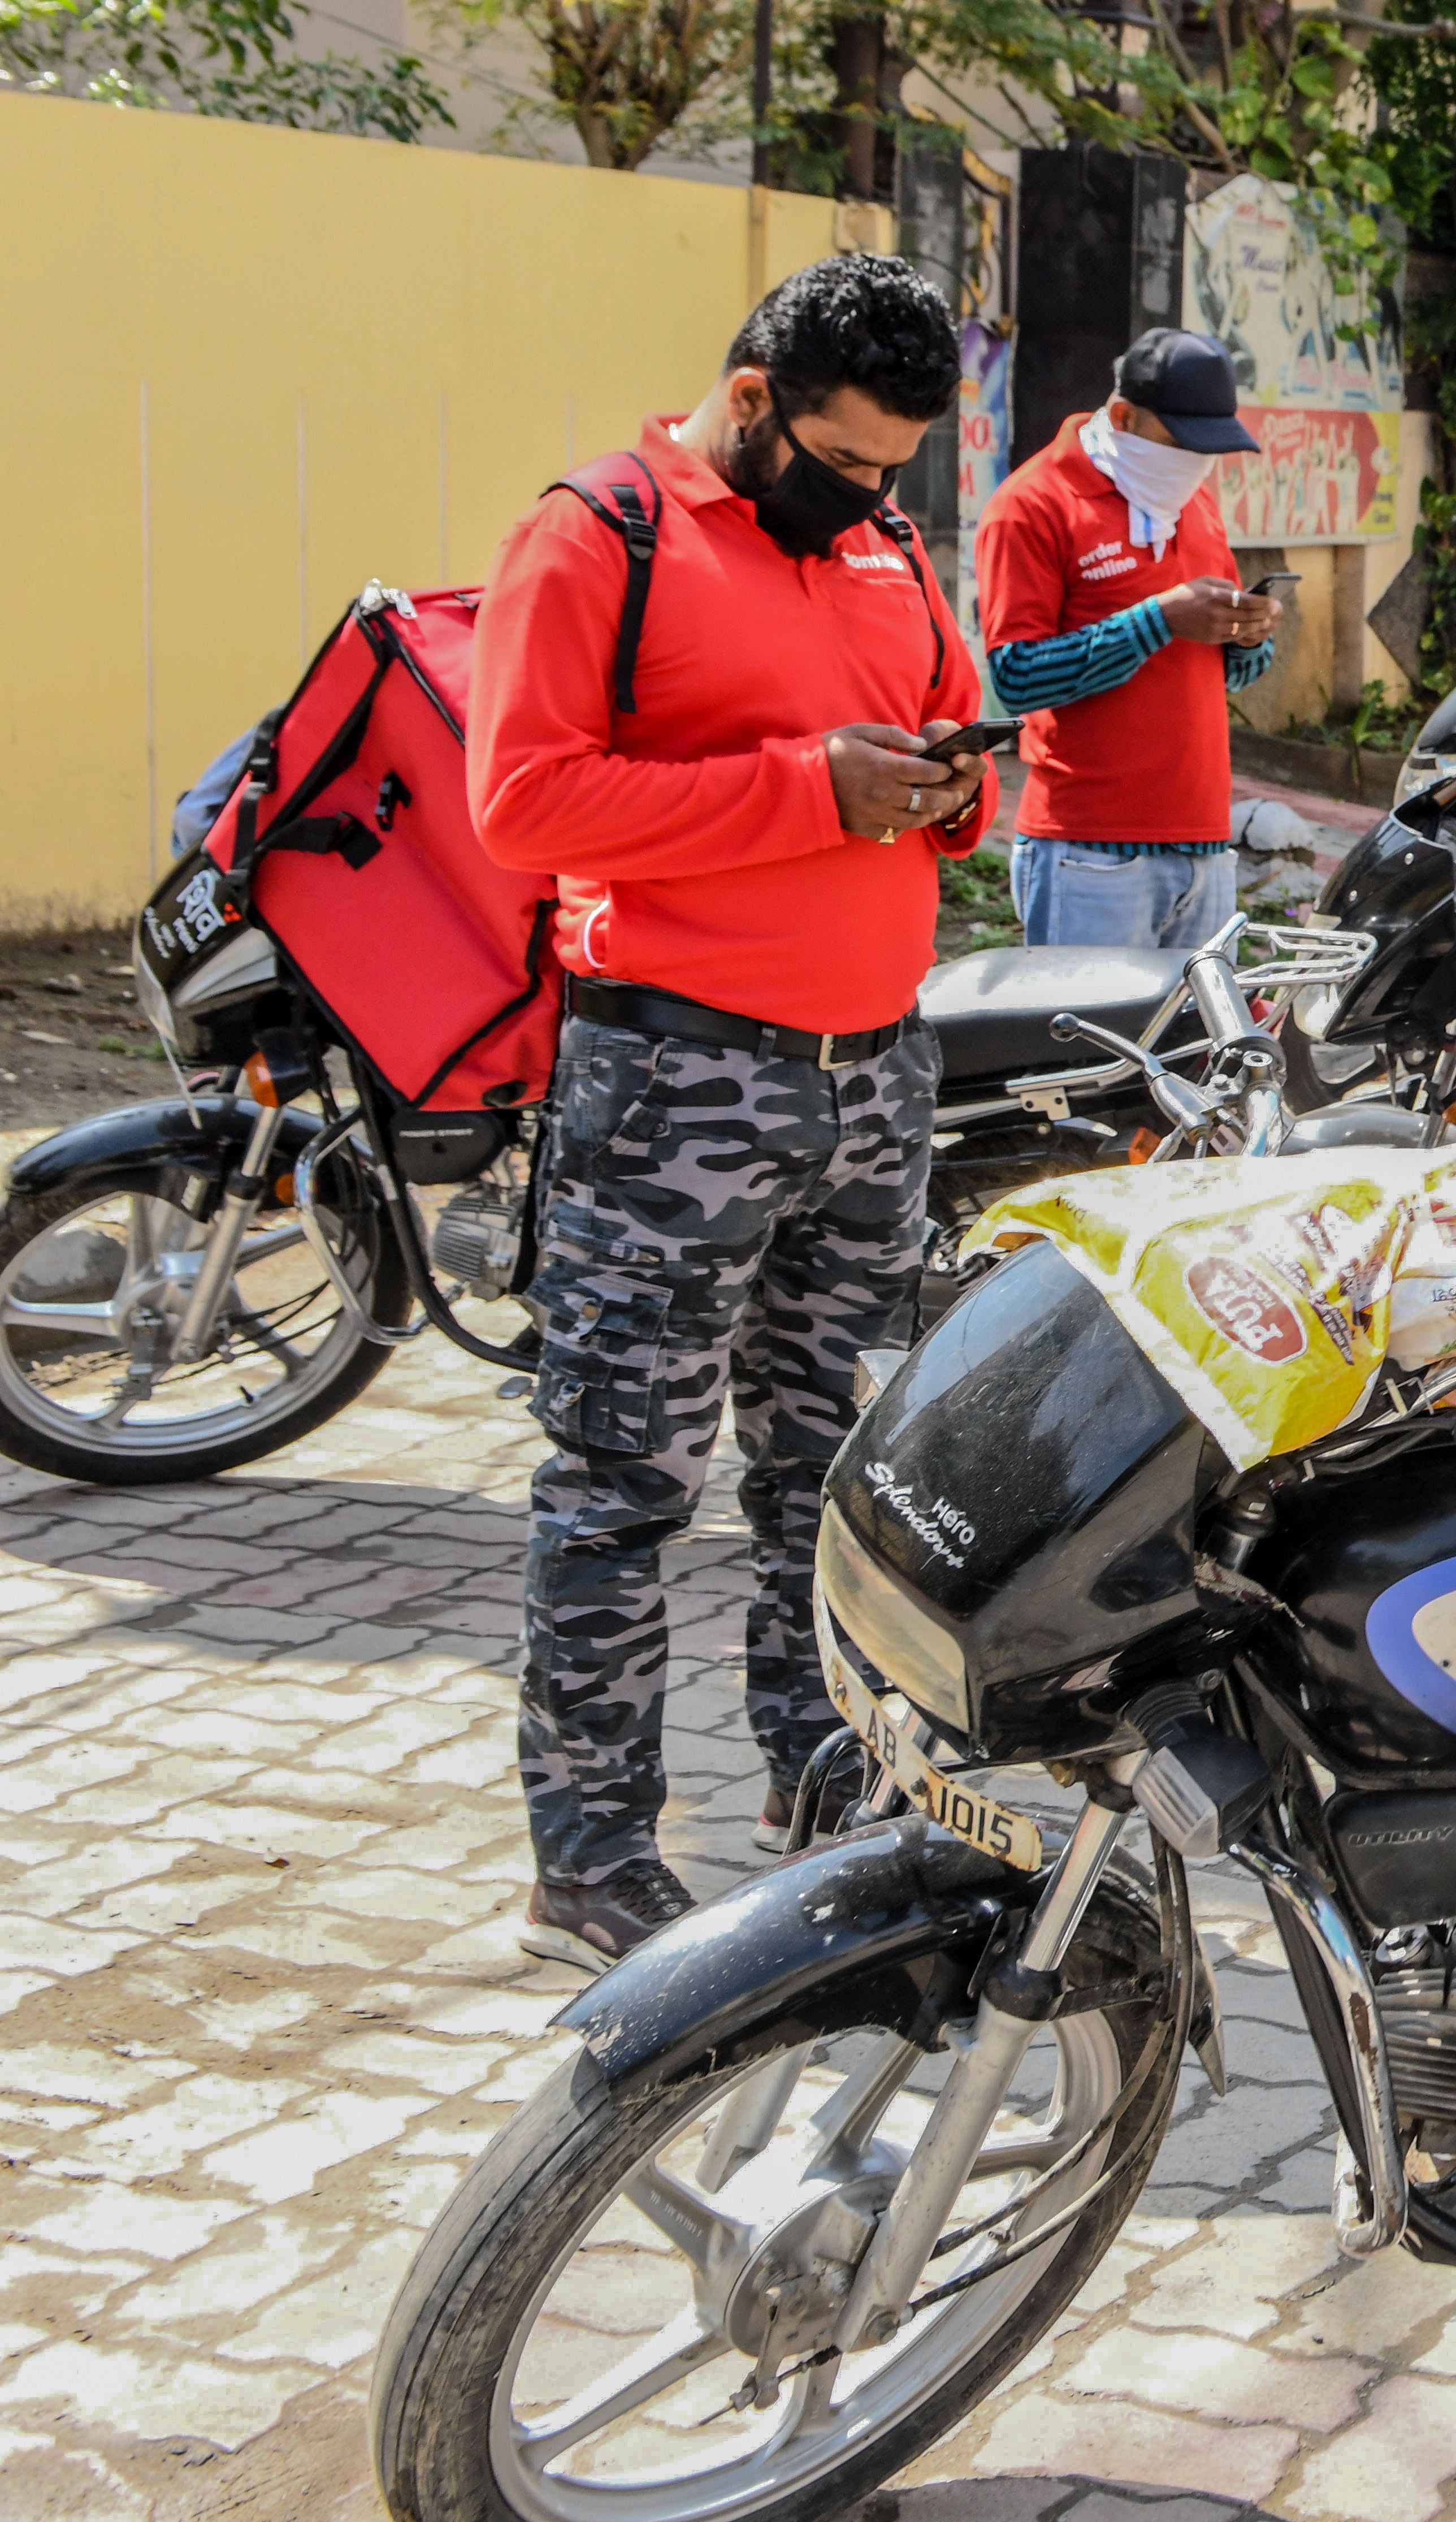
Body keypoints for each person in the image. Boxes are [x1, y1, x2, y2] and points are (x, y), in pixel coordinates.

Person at [469, 252, 995, 1968]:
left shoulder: (882, 543)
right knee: (625, 1476)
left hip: (873, 1072)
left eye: (900, 468)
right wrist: (809, 792)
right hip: (677, 1075)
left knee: (828, 1468)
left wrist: (951, 787)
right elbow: (525, 800)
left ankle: (816, 1761)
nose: (874, 495)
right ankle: (593, 1853)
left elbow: (924, 744)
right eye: (848, 461)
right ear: (756, 400)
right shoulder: (599, 533)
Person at [974, 330, 1280, 949]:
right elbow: (1015, 676)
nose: (1197, 464)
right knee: (1095, 1048)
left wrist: (1248, 640)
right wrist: (1157, 620)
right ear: (1122, 416)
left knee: (1194, 1047)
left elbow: (1224, 673)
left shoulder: (1195, 503)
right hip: (1088, 852)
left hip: (1204, 846)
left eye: (1209, 449)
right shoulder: (1031, 505)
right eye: (1183, 443)